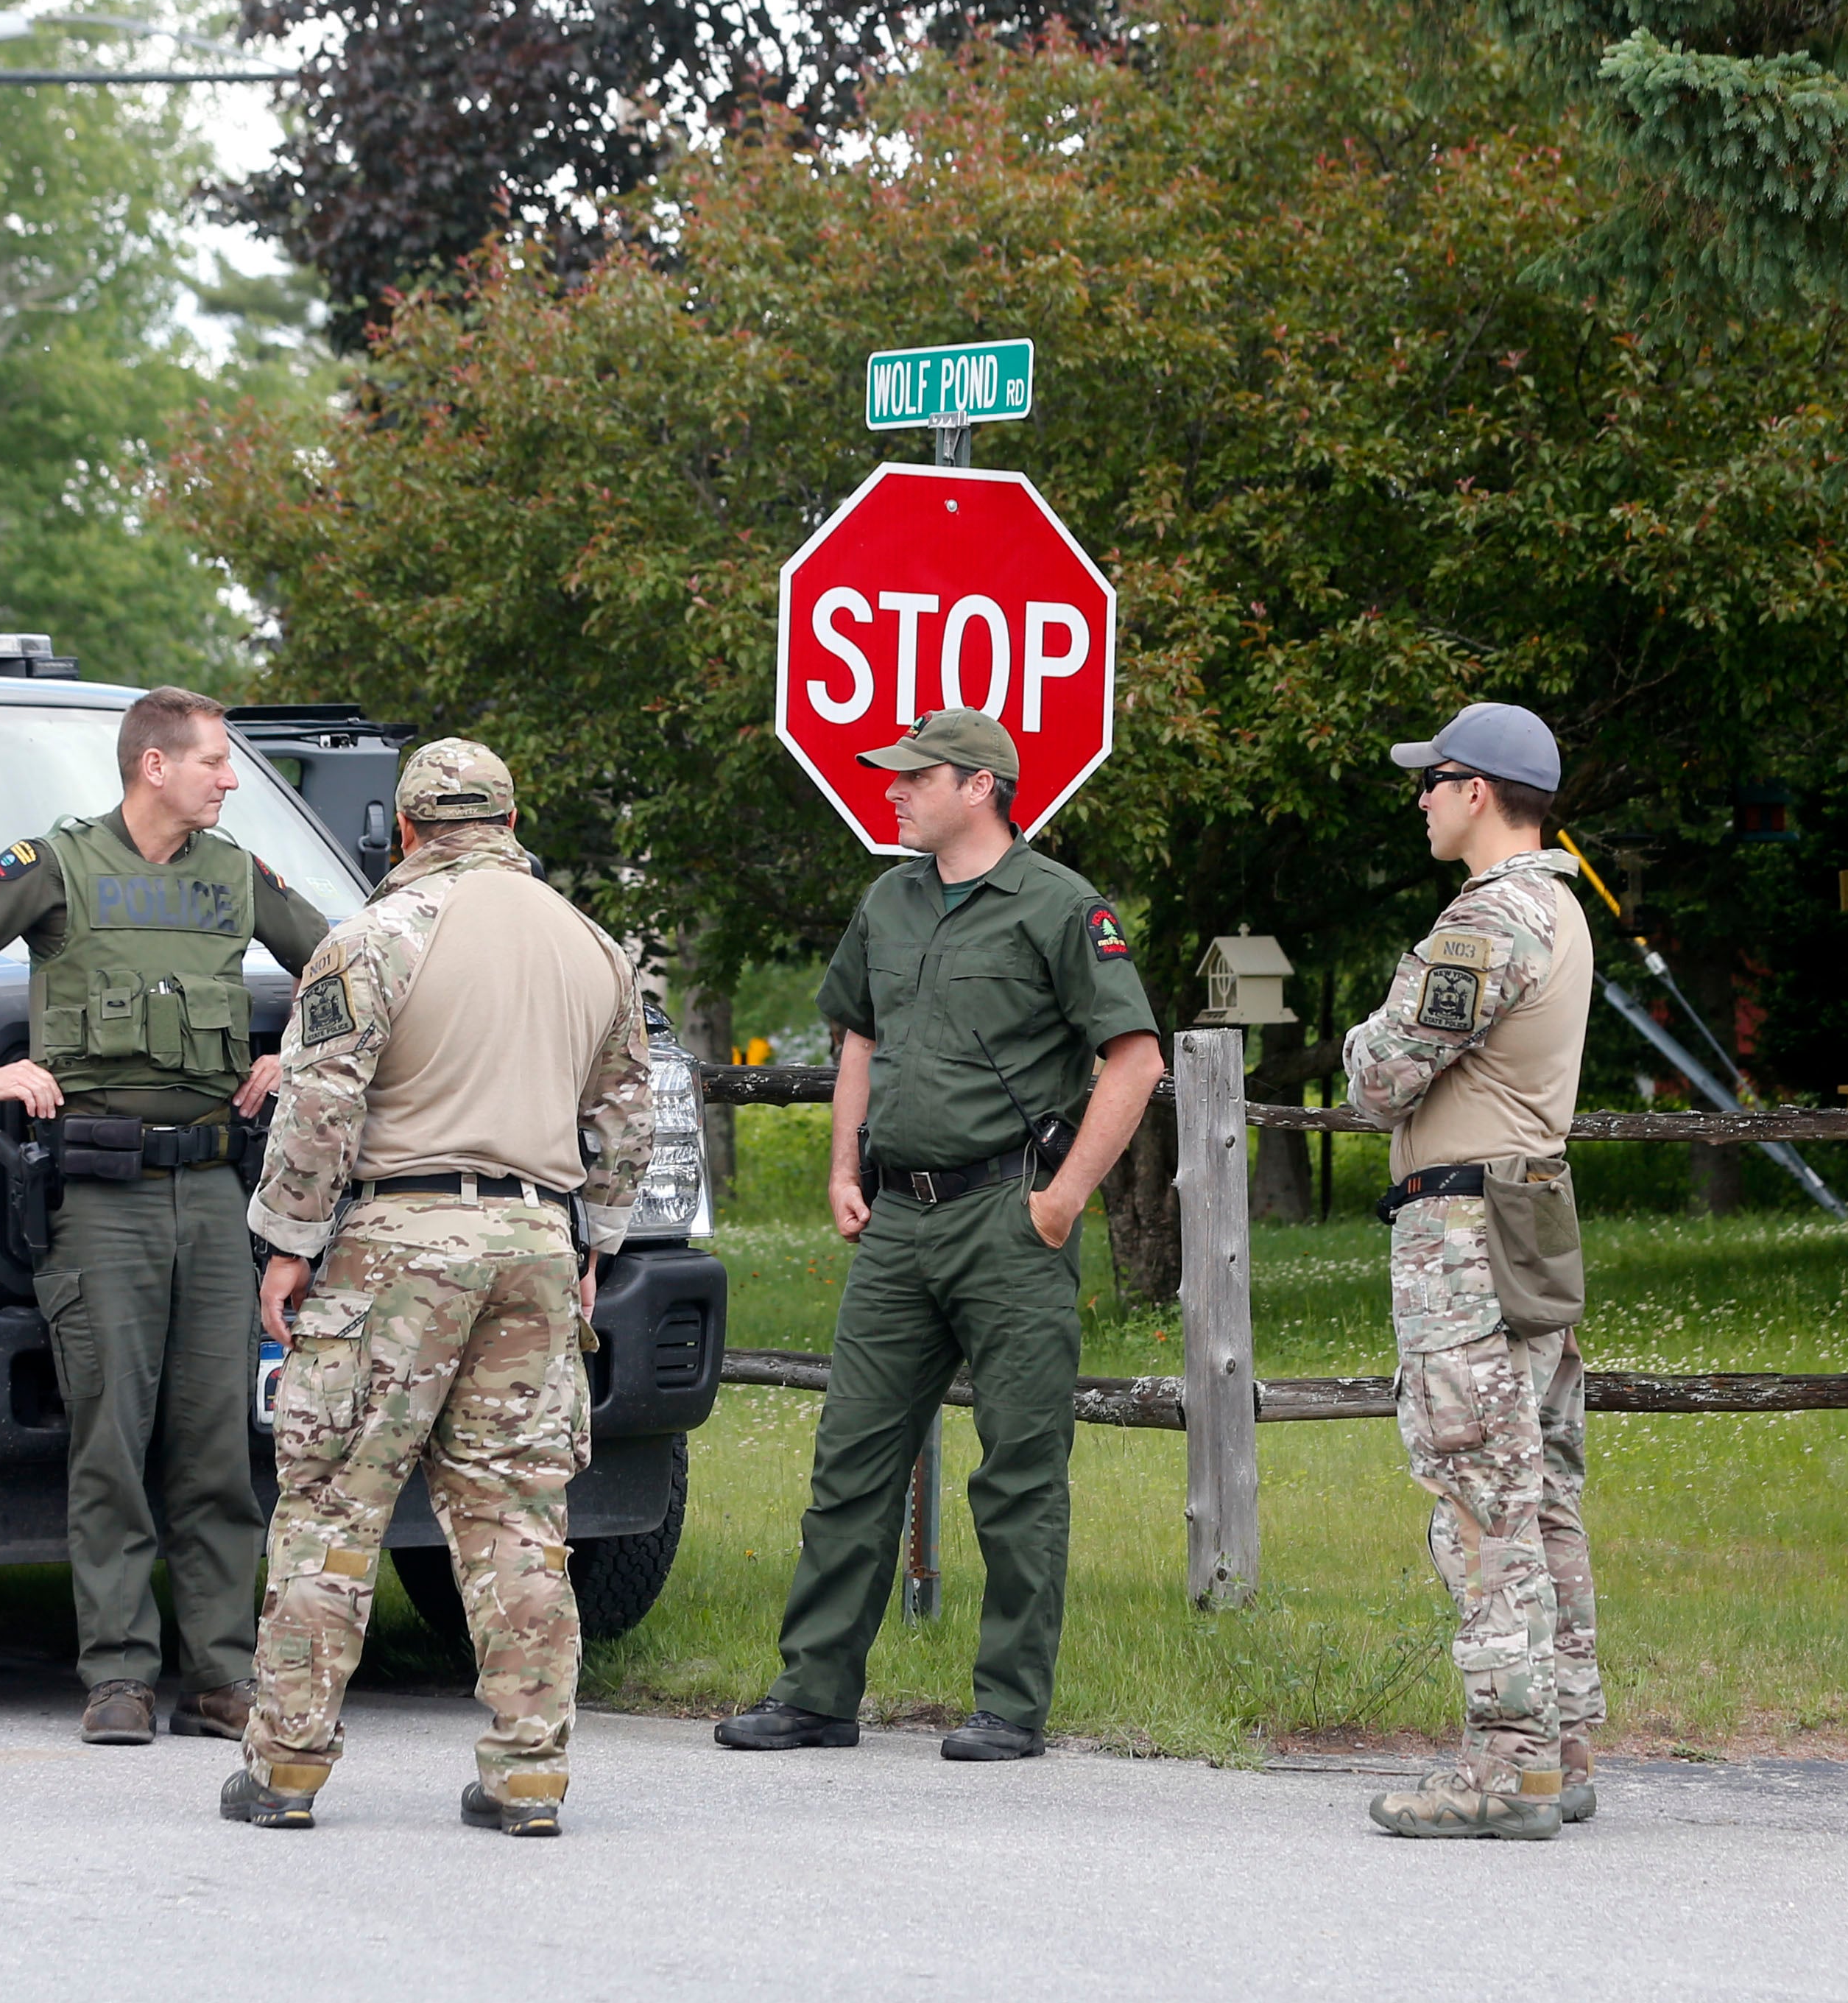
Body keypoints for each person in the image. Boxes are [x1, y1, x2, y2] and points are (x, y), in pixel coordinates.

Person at [713, 708, 1163, 1764]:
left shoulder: (1058, 905)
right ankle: (814, 1691)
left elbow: (1133, 1059)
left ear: (977, 785)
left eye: (912, 777)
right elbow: (857, 1034)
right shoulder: (888, 900)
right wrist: (840, 1164)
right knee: (850, 1459)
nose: (892, 790)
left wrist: (1058, 1201)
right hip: (897, 1224)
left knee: (1016, 1470)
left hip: (1007, 1219)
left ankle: (1008, 1704)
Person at [221, 738, 652, 1837]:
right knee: (516, 1514)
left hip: (398, 1242)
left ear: (406, 829)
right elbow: (624, 1115)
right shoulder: (594, 947)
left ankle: (286, 1768)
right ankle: (528, 1773)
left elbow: (321, 1103)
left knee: (331, 1506)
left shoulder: (372, 939)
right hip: (536, 1242)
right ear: (509, 819)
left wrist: (286, 1241)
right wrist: (594, 1237)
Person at [0, 688, 331, 1747]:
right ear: (154, 767)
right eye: (215, 762)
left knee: (219, 1443)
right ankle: (118, 1676)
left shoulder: (235, 875)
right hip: (101, 1201)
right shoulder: (54, 866)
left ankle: (221, 1675)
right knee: (110, 1442)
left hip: (218, 1194)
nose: (230, 779)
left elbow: (345, 965)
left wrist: (296, 1052)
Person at [1344, 701, 1604, 1840]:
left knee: (1476, 1495)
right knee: (1539, 1491)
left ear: (1477, 790)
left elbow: (1381, 1076)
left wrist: (1361, 1039)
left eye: (1431, 779)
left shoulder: (1485, 923)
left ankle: (1506, 1764)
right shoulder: (1562, 905)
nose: (1419, 799)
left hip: (1462, 1232)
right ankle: (1564, 1744)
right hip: (1528, 1214)